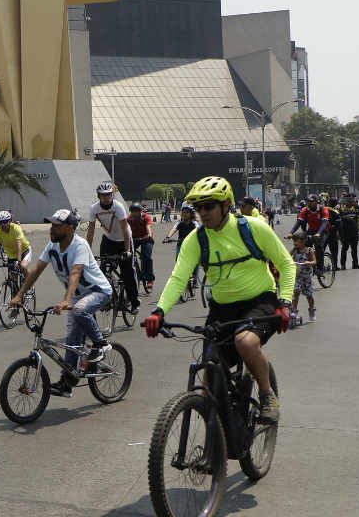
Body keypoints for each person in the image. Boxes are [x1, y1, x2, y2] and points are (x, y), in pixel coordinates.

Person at [144, 176, 295, 425]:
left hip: (259, 302)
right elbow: (178, 277)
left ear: (226, 205)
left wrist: (286, 303)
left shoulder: (253, 228)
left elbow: (286, 265)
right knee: (210, 373)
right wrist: (159, 312)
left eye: (209, 206)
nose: (203, 213)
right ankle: (221, 440)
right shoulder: (197, 239)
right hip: (222, 308)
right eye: (199, 208)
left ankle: (267, 396)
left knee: (245, 343)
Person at [10, 209, 111, 397]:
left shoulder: (79, 245)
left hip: (98, 292)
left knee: (80, 309)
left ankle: (101, 344)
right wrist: (20, 295)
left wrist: (66, 300)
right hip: (77, 297)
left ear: (71, 228)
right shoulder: (52, 246)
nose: (52, 229)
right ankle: (67, 383)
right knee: (72, 341)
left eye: (57, 226)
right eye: (52, 225)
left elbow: (76, 272)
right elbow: (36, 271)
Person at [86, 181, 139, 312]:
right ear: (99, 196)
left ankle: (134, 302)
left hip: (124, 240)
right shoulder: (94, 209)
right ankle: (106, 300)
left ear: (112, 195)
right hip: (109, 240)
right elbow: (91, 232)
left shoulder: (118, 207)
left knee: (128, 272)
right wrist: (86, 251)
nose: (106, 197)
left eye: (109, 195)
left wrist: (127, 250)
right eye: (103, 195)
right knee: (102, 271)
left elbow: (125, 230)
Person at [289, 194, 330, 274]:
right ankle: (309, 261)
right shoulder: (305, 210)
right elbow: (299, 222)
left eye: (311, 202)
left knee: (318, 246)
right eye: (308, 201)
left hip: (323, 230)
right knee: (303, 244)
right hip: (311, 230)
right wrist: (291, 232)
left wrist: (318, 233)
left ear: (317, 202)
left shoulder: (323, 209)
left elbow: (324, 223)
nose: (309, 203)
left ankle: (321, 268)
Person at [0, 209, 32, 276]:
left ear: (10, 221)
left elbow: (19, 246)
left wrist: (19, 261)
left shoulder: (16, 228)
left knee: (23, 267)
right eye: (0, 222)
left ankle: (30, 282)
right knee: (11, 278)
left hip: (24, 251)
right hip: (12, 255)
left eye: (5, 222)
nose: (3, 224)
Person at [289, 230, 316, 322]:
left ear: (304, 241)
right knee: (295, 293)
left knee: (309, 295)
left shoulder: (309, 250)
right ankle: (294, 312)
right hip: (297, 276)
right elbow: (287, 257)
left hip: (306, 278)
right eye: (294, 241)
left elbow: (314, 262)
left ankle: (311, 310)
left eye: (297, 241)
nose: (295, 243)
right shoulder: (294, 250)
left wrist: (308, 262)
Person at [127, 203, 155, 288]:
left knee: (147, 257)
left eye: (136, 211)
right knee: (128, 255)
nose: (134, 214)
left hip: (146, 238)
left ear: (141, 211)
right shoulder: (129, 219)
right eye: (133, 212)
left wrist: (149, 235)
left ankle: (150, 279)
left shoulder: (145, 217)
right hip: (134, 239)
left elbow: (148, 226)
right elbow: (124, 228)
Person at [338, 195, 359, 268]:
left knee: (354, 249)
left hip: (354, 232)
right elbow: (339, 220)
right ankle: (343, 265)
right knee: (344, 249)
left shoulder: (355, 208)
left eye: (352, 200)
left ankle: (355, 264)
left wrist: (357, 206)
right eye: (350, 200)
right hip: (345, 233)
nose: (351, 201)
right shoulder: (342, 209)